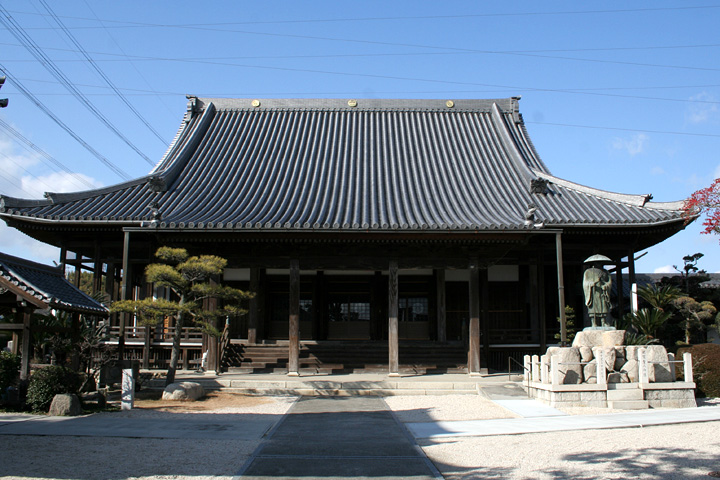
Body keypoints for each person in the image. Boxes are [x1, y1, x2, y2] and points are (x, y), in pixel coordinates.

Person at [583, 256, 612, 328]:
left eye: (600, 262)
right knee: (593, 307)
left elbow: (609, 282)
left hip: (602, 292)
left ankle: (604, 322)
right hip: (593, 292)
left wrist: (606, 286)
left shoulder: (605, 272)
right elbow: (585, 282)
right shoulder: (588, 272)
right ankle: (594, 323)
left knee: (603, 306)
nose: (599, 264)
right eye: (597, 262)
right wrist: (590, 284)